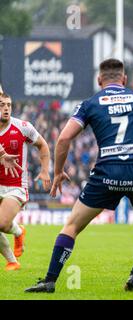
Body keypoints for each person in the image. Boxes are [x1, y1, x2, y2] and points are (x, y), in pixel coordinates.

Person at [25, 58, 133, 293]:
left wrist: (57, 172)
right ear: (124, 79)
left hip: (107, 173)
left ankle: (50, 280)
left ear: (99, 80)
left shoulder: (91, 104)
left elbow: (64, 138)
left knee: (73, 225)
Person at [0, 92, 51, 271]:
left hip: (15, 186)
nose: (6, 108)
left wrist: (45, 170)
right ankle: (12, 261)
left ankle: (18, 231)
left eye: (8, 105)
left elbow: (43, 145)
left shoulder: (22, 127)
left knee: (1, 223)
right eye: (1, 105)